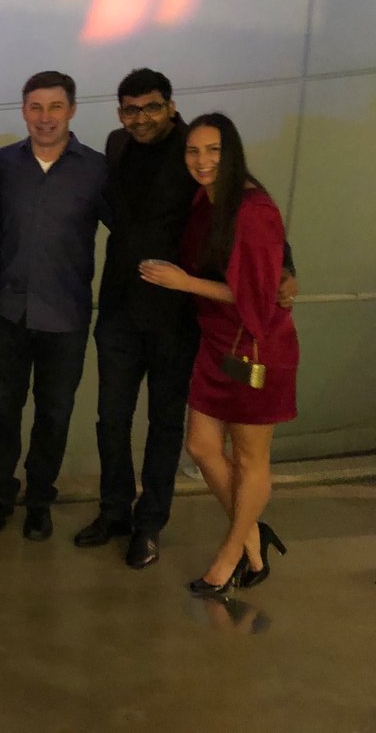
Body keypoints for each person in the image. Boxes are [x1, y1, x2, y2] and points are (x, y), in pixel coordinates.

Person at [74, 69, 296, 569]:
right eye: (131, 109)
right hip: (119, 309)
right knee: (111, 419)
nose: (141, 118)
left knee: (165, 424)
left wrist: (288, 267)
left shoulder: (195, 152)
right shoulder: (116, 145)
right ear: (120, 114)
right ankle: (114, 512)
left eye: (152, 107)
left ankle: (149, 524)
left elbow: (246, 205)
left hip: (178, 317)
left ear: (171, 107)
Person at [140, 112, 297, 593]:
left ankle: (231, 557)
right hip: (216, 341)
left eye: (213, 150)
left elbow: (258, 297)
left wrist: (183, 282)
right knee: (202, 446)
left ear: (232, 153)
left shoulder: (253, 208)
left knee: (250, 458)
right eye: (194, 151)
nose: (202, 160)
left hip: (255, 346)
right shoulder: (206, 201)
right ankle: (253, 536)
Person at [0, 72, 108, 541]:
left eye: (55, 107)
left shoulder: (96, 169)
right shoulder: (0, 165)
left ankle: (39, 500)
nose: (45, 117)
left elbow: (134, 228)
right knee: (3, 409)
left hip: (66, 316)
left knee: (54, 415)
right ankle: (1, 493)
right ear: (23, 111)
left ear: (71, 110)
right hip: (6, 312)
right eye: (35, 107)